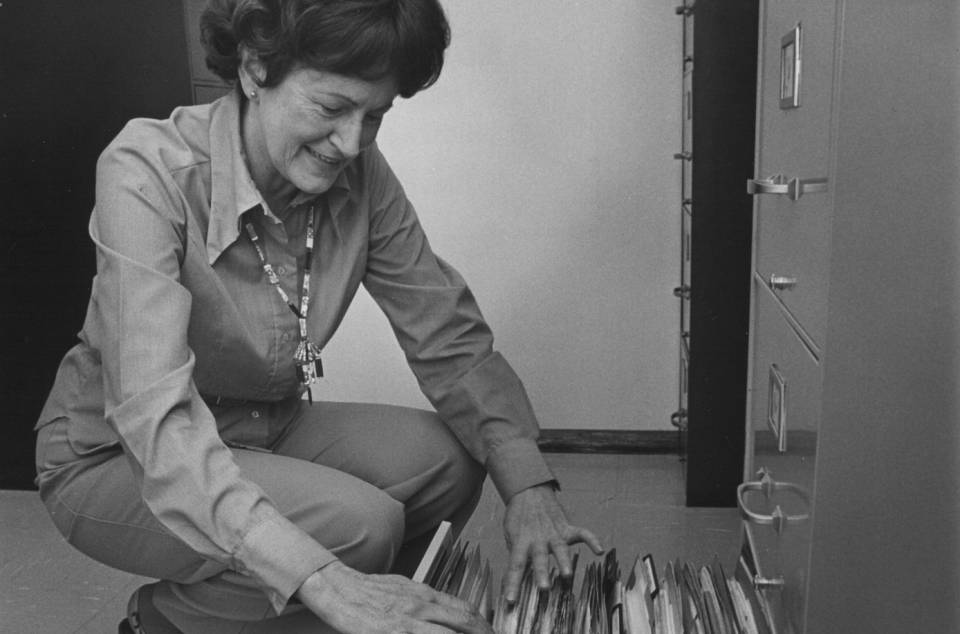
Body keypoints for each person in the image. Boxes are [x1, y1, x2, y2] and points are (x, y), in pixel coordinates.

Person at [34, 0, 602, 632]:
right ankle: (165, 621)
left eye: (375, 116)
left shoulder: (363, 175)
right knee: (360, 525)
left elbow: (444, 330)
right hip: (118, 453)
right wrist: (324, 577)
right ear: (255, 67)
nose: (351, 142)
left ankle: (342, 616)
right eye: (332, 108)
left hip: (261, 425)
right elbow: (152, 415)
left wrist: (527, 485)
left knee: (450, 460)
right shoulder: (147, 170)